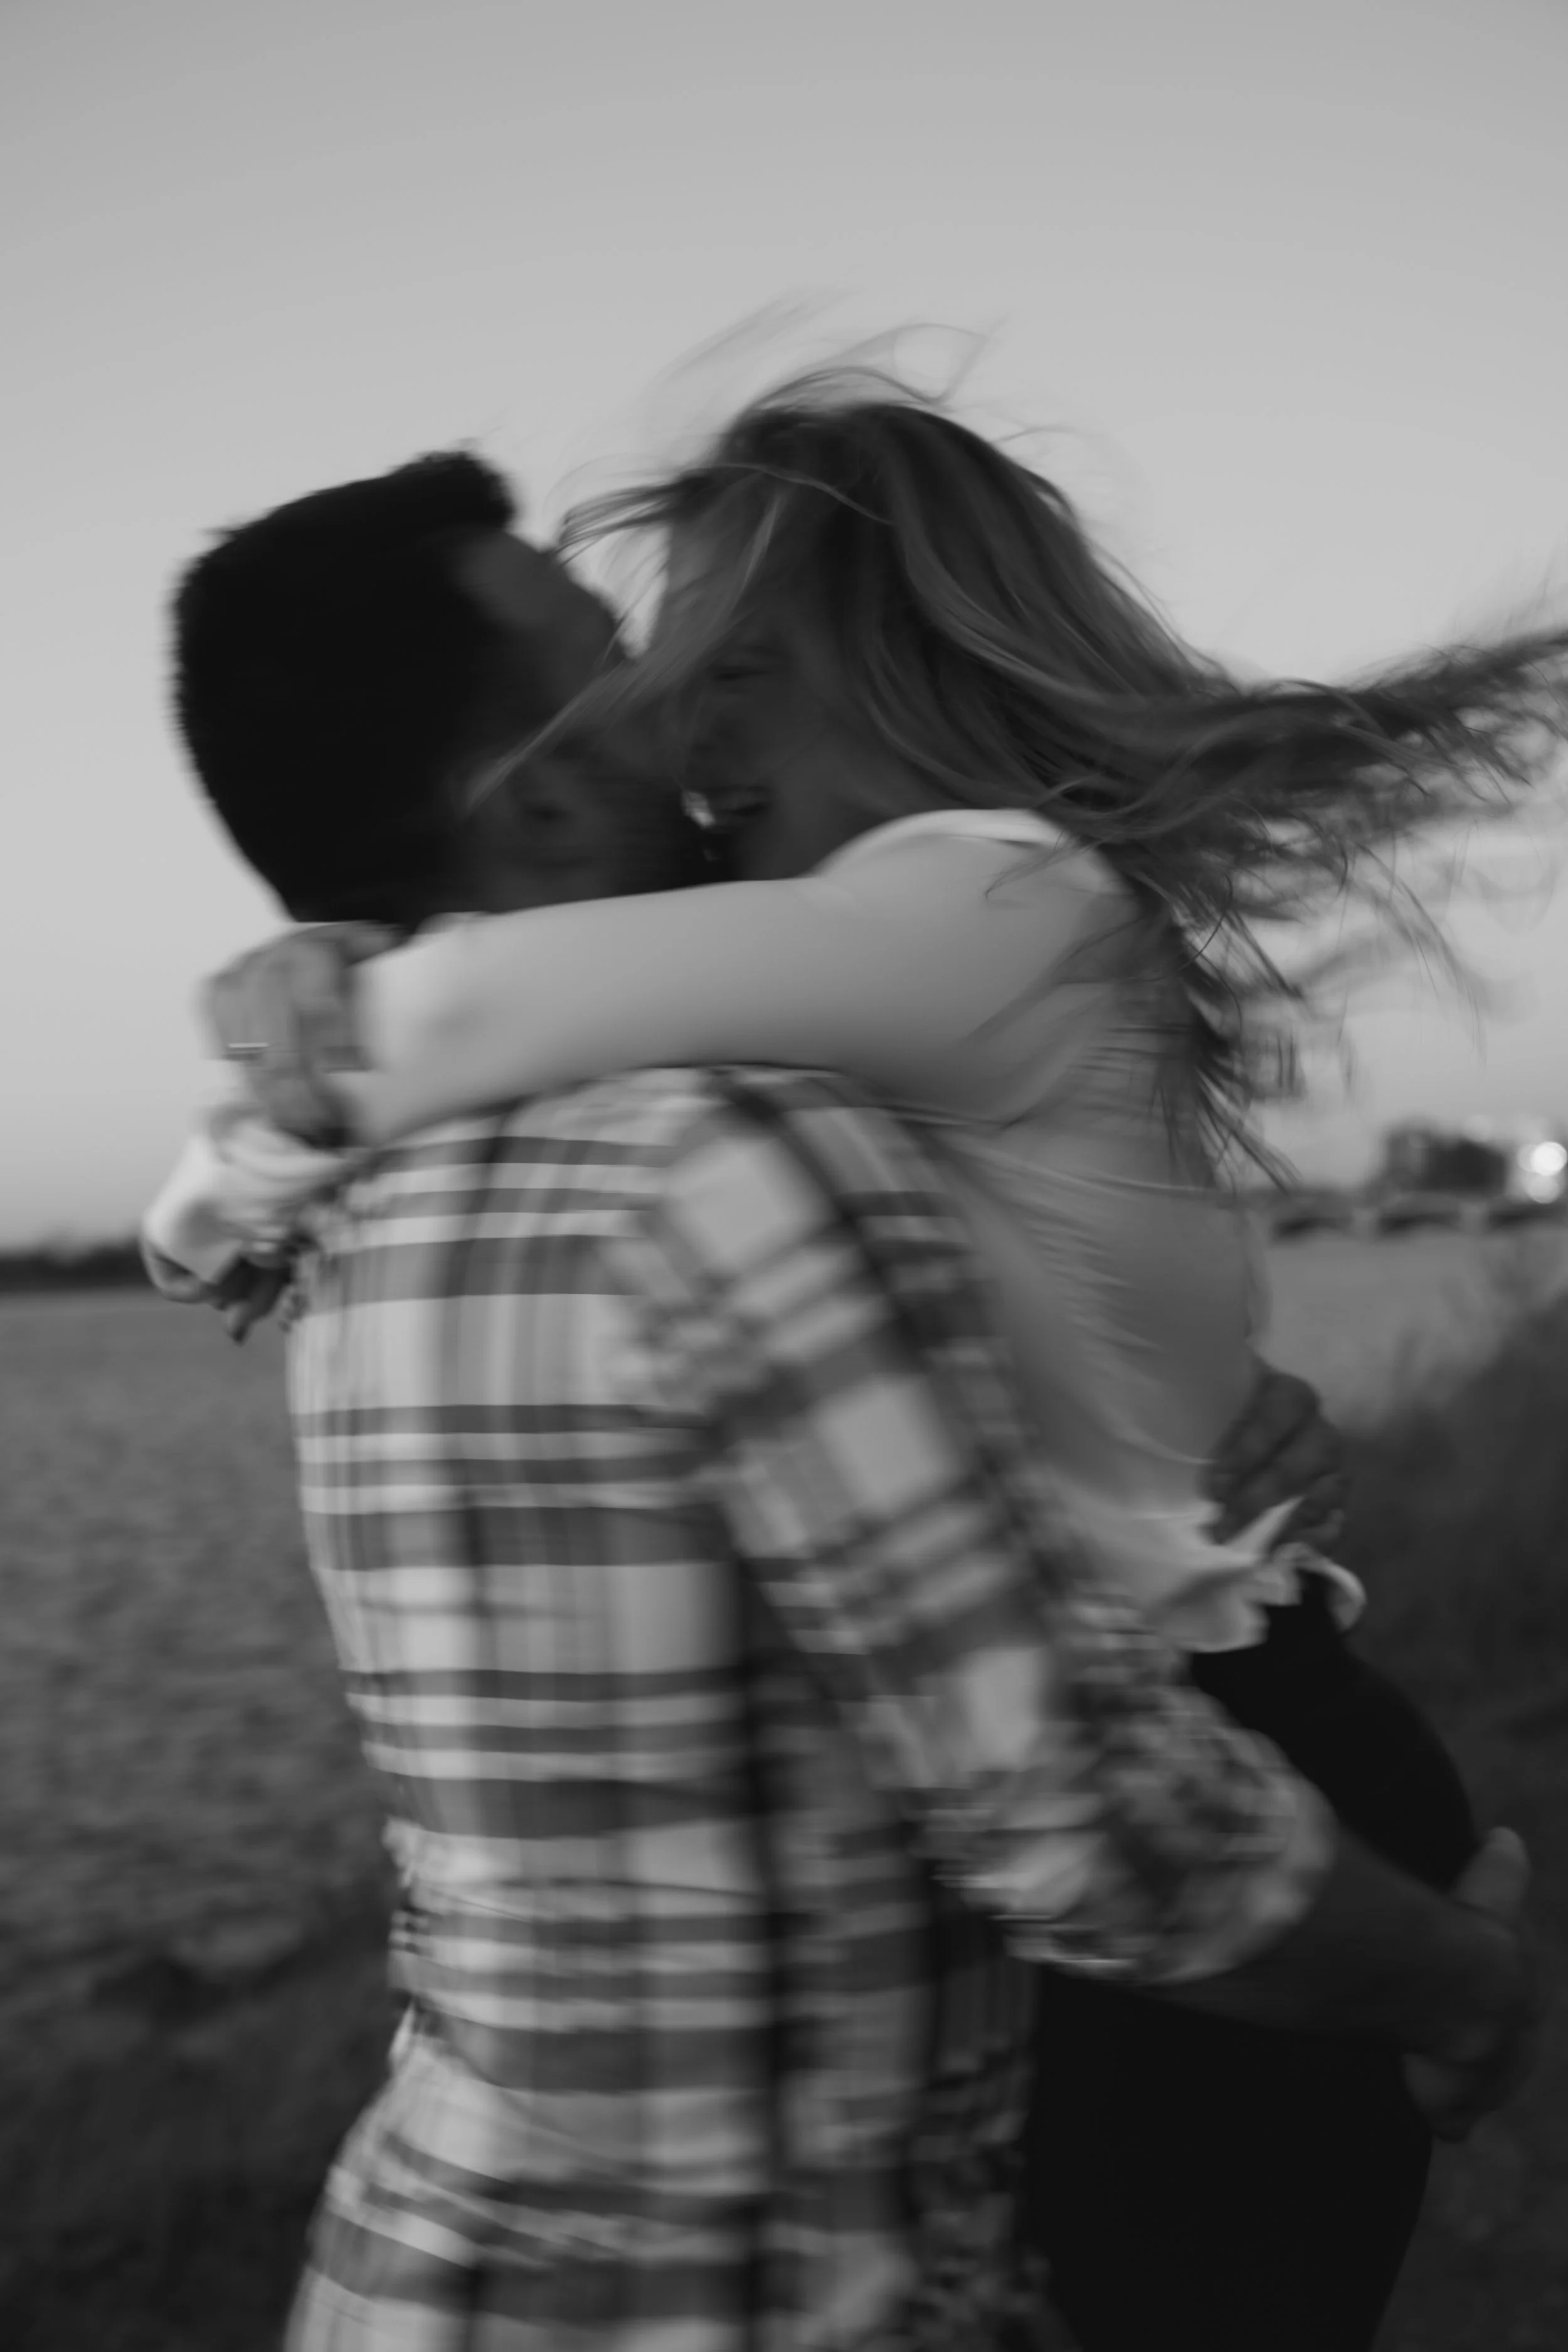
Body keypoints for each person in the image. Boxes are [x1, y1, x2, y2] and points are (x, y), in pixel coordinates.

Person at [151, 449, 1537, 2352]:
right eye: (640, 673)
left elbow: (453, 1030)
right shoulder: (757, 1063)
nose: (672, 719)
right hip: (1152, 1768)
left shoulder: (984, 900)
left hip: (1222, 1736)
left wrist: (283, 1069)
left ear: (893, 670)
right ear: (540, 785)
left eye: (726, 665)